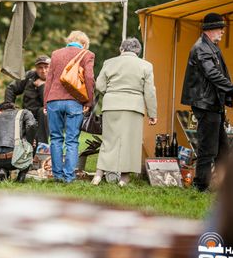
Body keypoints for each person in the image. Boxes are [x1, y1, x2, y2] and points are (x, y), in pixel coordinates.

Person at [180, 12, 233, 192]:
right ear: (210, 30)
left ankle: (226, 185)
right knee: (208, 148)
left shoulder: (210, 46)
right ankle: (200, 186)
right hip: (205, 104)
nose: (223, 32)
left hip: (213, 104)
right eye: (220, 28)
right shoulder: (201, 48)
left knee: (223, 149)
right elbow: (213, 74)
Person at [93, 38, 157, 187]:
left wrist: (112, 93)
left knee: (109, 140)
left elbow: (100, 85)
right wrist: (152, 113)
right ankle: (124, 178)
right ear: (137, 51)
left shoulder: (109, 63)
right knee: (130, 143)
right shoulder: (146, 66)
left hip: (111, 105)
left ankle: (98, 175)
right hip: (133, 107)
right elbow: (150, 92)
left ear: (122, 49)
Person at [43, 30, 95, 183]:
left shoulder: (56, 54)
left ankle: (57, 175)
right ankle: (68, 176)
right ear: (84, 44)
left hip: (53, 100)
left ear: (69, 40)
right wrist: (88, 102)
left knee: (55, 138)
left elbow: (49, 80)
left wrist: (45, 102)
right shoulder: (87, 54)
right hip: (75, 102)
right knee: (72, 140)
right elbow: (89, 78)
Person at [0, 102, 37, 182]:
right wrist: (29, 144)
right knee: (35, 139)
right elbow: (32, 125)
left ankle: (1, 169)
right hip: (15, 158)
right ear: (14, 109)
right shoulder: (24, 113)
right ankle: (22, 174)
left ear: (0, 111)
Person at [4, 55, 50, 144]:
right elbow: (11, 88)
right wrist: (8, 108)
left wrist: (42, 86)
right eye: (40, 68)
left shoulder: (55, 79)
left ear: (51, 67)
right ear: (36, 68)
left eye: (46, 67)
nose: (43, 71)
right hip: (28, 113)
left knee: (43, 112)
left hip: (46, 116)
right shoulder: (29, 76)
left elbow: (47, 104)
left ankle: (42, 146)